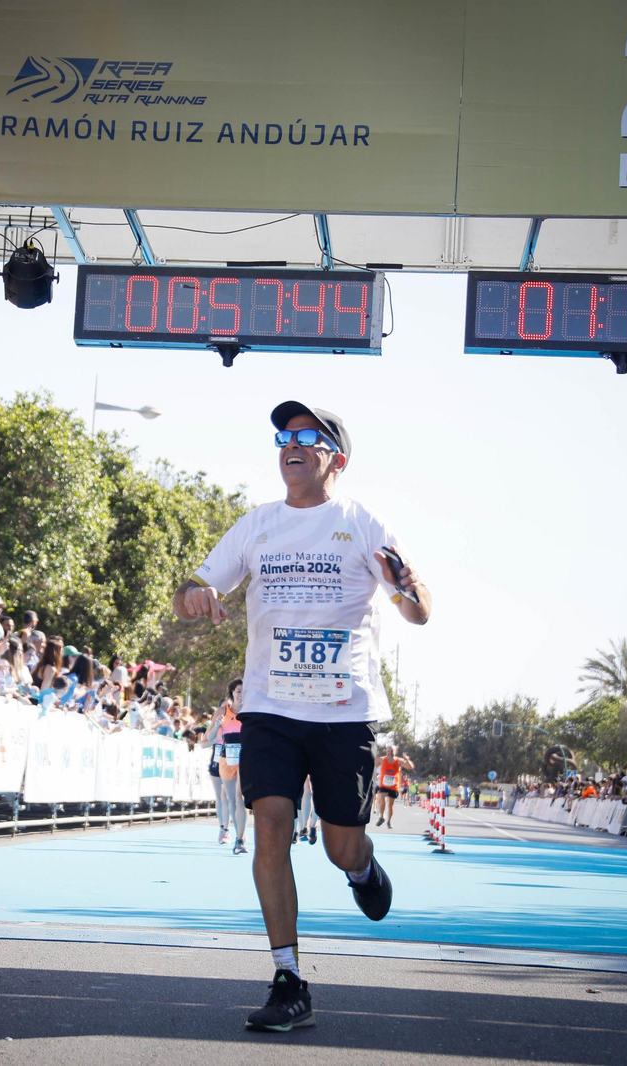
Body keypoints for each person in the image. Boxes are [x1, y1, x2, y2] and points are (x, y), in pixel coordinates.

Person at [173, 400, 429, 1033]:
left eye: (306, 437)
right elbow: (188, 591)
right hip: (269, 706)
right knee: (271, 826)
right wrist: (197, 596)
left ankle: (363, 868)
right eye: (282, 436)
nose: (290, 444)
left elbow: (418, 610)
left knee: (341, 846)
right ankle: (288, 978)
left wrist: (410, 588)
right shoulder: (256, 525)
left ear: (334, 458)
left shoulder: (363, 523)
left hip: (345, 713)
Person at [205, 680, 248, 850]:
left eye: (244, 691)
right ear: (232, 692)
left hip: (245, 760)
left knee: (241, 798)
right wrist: (217, 725)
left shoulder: (251, 712)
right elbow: (209, 736)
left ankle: (240, 839)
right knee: (231, 801)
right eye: (238, 691)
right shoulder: (222, 711)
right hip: (226, 759)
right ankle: (237, 834)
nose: (241, 694)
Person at [372, 746, 413, 828]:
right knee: (381, 798)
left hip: (394, 786)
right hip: (384, 785)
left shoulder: (399, 761)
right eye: (388, 751)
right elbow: (373, 765)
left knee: (390, 805)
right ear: (386, 751)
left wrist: (407, 759)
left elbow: (410, 767)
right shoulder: (382, 759)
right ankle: (382, 816)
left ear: (395, 751)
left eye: (391, 751)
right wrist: (375, 756)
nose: (389, 752)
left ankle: (389, 821)